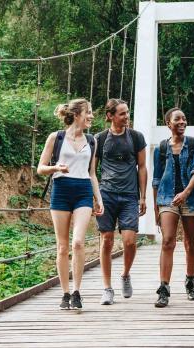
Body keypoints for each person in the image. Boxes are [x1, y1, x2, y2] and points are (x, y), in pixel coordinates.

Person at [37, 98, 103, 310]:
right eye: (89, 112)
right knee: (63, 246)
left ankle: (77, 291)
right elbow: (40, 168)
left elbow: (92, 173)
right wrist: (56, 168)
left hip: (83, 190)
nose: (91, 116)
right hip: (61, 190)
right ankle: (65, 293)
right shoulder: (56, 138)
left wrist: (98, 199)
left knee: (78, 243)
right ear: (77, 115)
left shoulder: (92, 141)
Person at [94, 99, 148, 305]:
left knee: (129, 241)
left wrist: (143, 196)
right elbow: (93, 170)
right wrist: (95, 196)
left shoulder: (136, 137)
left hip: (128, 196)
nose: (127, 117)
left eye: (127, 113)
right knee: (106, 240)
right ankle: (107, 288)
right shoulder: (99, 139)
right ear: (110, 116)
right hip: (106, 194)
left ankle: (125, 274)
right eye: (122, 114)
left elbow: (142, 167)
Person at [152, 107, 194, 308]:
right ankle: (164, 289)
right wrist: (157, 208)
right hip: (166, 198)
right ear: (168, 124)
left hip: (191, 198)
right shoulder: (161, 149)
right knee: (167, 241)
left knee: (190, 242)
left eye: (184, 118)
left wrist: (186, 193)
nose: (182, 121)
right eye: (177, 119)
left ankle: (190, 282)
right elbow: (156, 180)